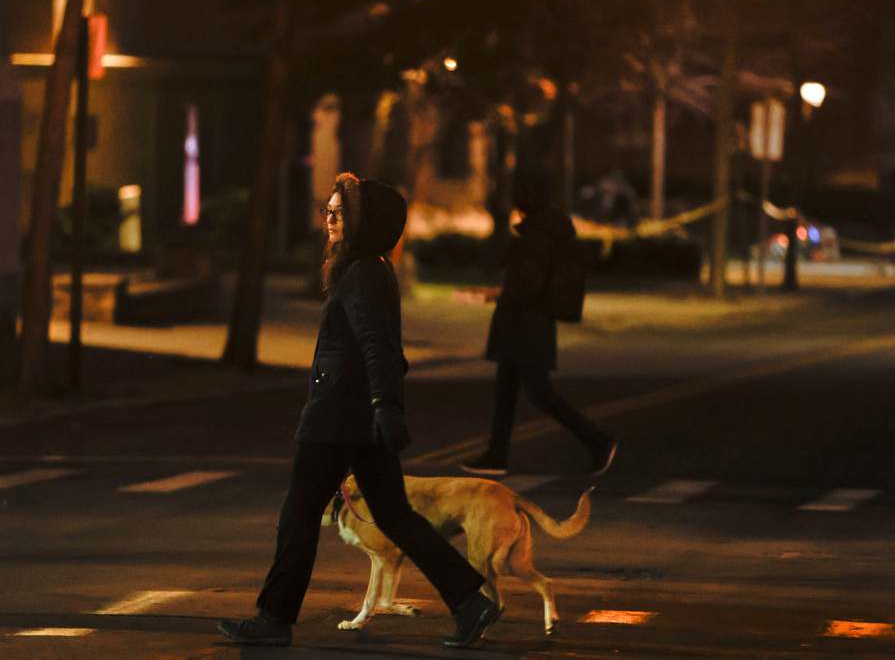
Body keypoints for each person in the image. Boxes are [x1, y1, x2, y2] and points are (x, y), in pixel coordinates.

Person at [219, 173, 499, 649]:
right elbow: (381, 345)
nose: (327, 219)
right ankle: (470, 602)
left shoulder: (364, 271)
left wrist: (385, 405)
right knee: (394, 514)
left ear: (362, 223)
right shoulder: (366, 268)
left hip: (340, 415)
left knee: (301, 512)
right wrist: (383, 408)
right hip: (359, 412)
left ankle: (274, 619)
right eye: (327, 211)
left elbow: (377, 344)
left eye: (337, 212)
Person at [462, 171, 618, 477]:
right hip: (530, 323)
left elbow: (528, 285)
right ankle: (497, 455)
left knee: (539, 393)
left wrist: (502, 296)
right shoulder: (547, 229)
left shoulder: (538, 234)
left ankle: (599, 441)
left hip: (525, 325)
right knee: (505, 390)